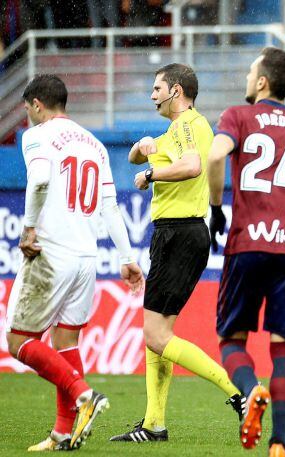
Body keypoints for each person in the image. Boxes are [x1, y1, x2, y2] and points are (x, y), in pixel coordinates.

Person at [207, 47, 285, 455]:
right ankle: (279, 444)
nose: (247, 78)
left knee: (231, 340)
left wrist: (214, 208)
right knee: (283, 349)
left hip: (247, 243)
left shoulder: (239, 117)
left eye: (250, 72)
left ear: (262, 81)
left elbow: (214, 155)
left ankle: (250, 390)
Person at [7, 74, 144, 451]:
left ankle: (84, 394)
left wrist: (29, 229)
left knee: (18, 340)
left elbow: (38, 181)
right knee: (66, 341)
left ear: (37, 104)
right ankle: (63, 433)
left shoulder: (37, 136)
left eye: (27, 108)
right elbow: (110, 206)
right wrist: (128, 257)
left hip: (52, 252)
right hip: (87, 258)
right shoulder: (96, 145)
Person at [110, 63, 244, 444]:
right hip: (174, 233)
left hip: (181, 232)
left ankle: (239, 392)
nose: (152, 95)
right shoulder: (175, 130)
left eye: (157, 88)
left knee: (154, 333)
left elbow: (192, 166)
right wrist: (144, 146)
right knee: (158, 333)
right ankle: (154, 424)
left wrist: (151, 175)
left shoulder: (189, 124)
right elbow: (138, 158)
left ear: (177, 91)